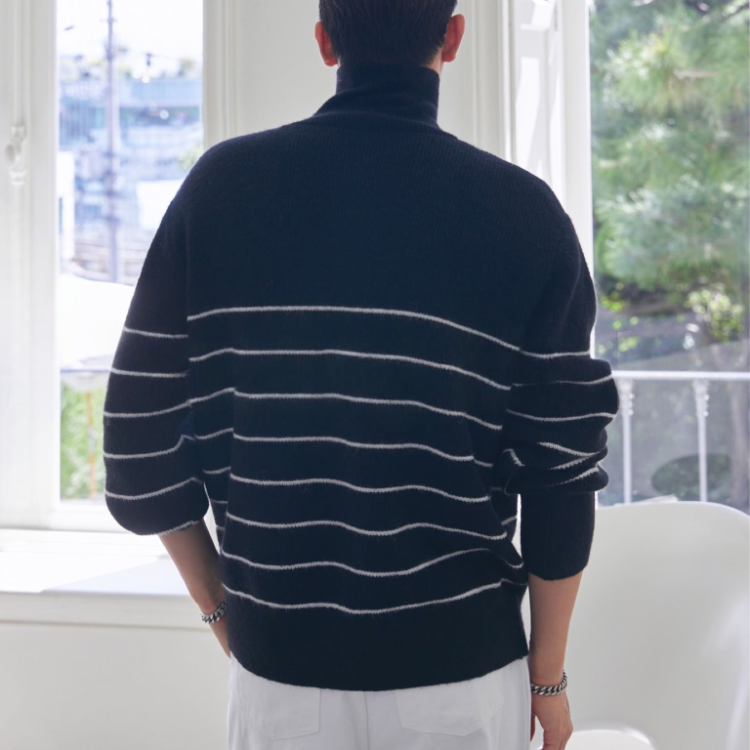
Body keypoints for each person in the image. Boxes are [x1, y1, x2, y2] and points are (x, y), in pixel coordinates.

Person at [102, 1, 620, 748]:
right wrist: (548, 679)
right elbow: (561, 476)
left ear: (325, 42)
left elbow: (136, 448)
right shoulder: (524, 215)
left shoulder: (220, 190)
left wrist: (223, 610)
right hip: (463, 680)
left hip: (279, 681)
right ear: (453, 36)